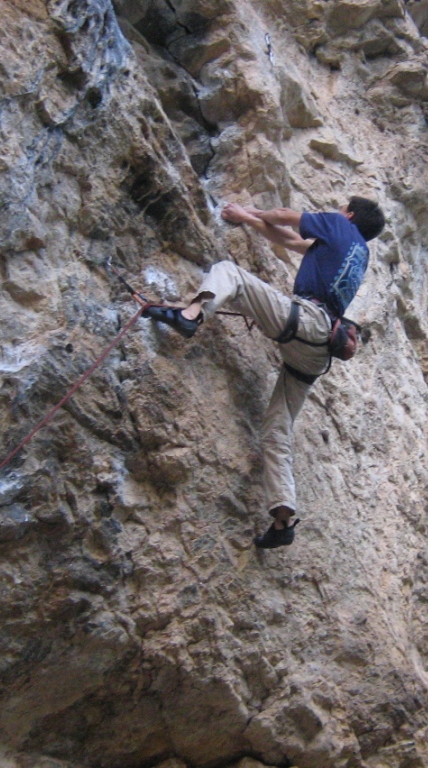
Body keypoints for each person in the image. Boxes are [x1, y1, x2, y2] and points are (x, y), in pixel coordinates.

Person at [145, 197, 386, 549]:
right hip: (318, 352)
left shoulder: (339, 226)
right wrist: (248, 220)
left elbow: (286, 218)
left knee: (229, 273)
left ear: (348, 215)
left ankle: (191, 315)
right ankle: (282, 520)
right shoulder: (357, 255)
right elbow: (291, 241)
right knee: (277, 430)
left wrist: (248, 212)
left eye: (341, 209)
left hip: (304, 321)